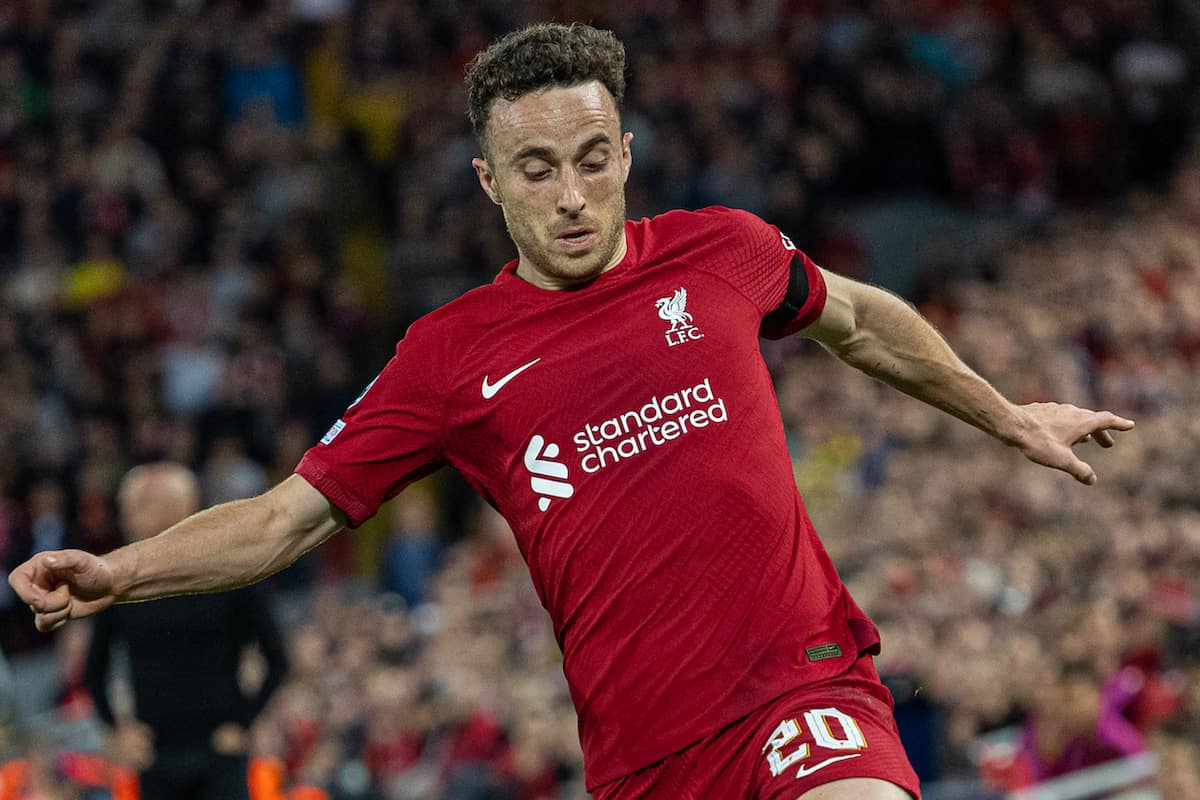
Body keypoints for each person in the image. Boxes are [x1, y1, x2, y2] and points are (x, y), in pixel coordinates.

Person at [9, 23, 1134, 800]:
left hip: (805, 680)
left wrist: (1006, 414)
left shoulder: (721, 252)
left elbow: (858, 318)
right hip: (644, 754)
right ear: (490, 180)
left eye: (594, 159)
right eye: (536, 167)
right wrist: (121, 572)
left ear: (627, 153)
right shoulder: (447, 356)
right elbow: (281, 521)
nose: (572, 193)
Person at [81, 463, 289, 800]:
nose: (127, 515)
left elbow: (278, 658)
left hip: (219, 749)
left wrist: (243, 722)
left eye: (141, 504)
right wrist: (116, 729)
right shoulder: (117, 581)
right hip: (154, 755)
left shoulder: (229, 571)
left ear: (180, 509)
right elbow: (94, 670)